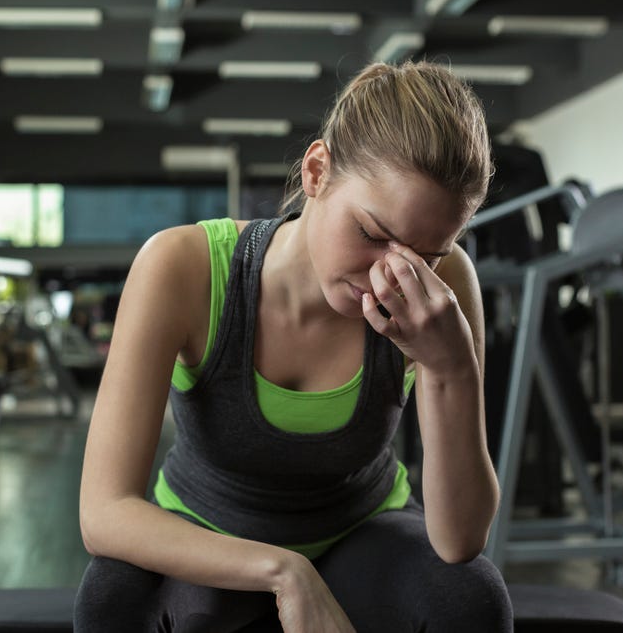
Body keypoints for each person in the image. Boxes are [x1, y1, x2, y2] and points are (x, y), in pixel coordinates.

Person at [75, 60, 513, 632]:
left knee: (468, 597)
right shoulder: (182, 267)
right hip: (206, 529)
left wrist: (452, 366)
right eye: (372, 234)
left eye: (425, 256)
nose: (391, 276)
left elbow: (459, 541)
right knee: (113, 601)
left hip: (363, 534)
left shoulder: (443, 289)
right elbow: (104, 512)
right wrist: (285, 571)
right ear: (316, 172)